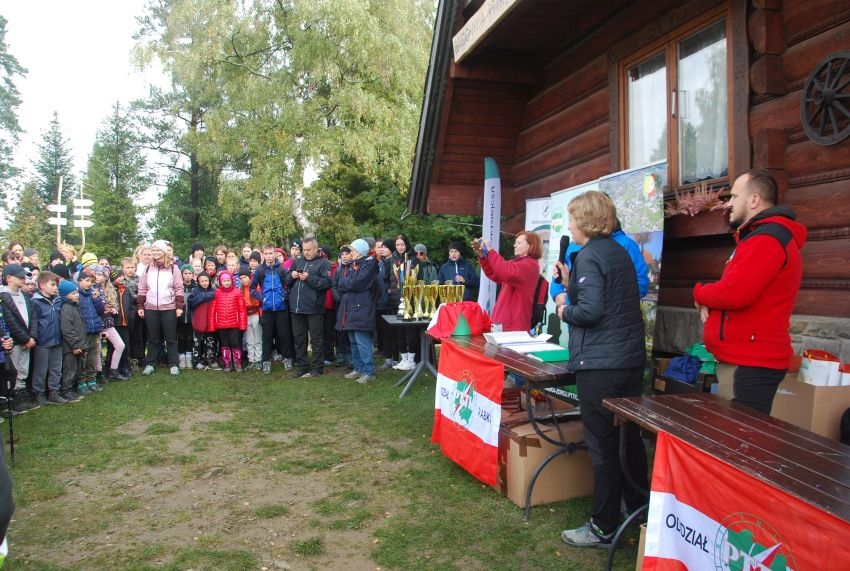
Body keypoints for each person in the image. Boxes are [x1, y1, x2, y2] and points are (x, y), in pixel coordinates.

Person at [554, 190, 647, 548]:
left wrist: (564, 309)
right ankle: (639, 512)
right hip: (628, 361)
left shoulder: (591, 255)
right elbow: (606, 301)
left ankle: (603, 526)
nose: (569, 226)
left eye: (572, 219)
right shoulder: (619, 251)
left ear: (585, 221)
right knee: (629, 440)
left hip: (601, 365)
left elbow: (591, 312)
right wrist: (570, 284)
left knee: (603, 447)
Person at [693, 169, 807, 414]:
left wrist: (699, 293)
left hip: (751, 363)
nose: (729, 203)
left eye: (734, 196)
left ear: (754, 200)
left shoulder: (767, 239)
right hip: (746, 361)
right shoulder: (758, 237)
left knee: (737, 436)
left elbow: (734, 293)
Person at [472, 231, 542, 332]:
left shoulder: (530, 265)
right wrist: (482, 255)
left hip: (514, 324)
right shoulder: (517, 263)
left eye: (519, 243)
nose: (514, 245)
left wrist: (490, 251)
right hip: (504, 323)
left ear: (530, 246)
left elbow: (505, 271)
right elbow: (495, 273)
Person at [137, 240, 184, 377]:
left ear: (164, 252)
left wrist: (179, 306)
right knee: (152, 338)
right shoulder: (147, 268)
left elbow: (179, 288)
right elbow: (142, 288)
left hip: (169, 308)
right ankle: (150, 364)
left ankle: (173, 364)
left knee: (171, 338)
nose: (155, 253)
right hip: (151, 308)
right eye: (154, 250)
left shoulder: (173, 268)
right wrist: (140, 305)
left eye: (158, 250)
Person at [287, 237, 333, 378]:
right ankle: (302, 366)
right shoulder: (298, 261)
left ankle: (318, 368)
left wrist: (309, 278)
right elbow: (287, 281)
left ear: (316, 249)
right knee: (299, 339)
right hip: (296, 307)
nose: (306, 252)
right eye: (304, 250)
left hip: (314, 308)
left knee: (316, 339)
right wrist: (292, 276)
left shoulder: (324, 263)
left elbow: (327, 283)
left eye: (308, 250)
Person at [336, 239, 378, 384]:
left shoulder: (369, 264)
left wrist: (345, 282)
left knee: (362, 341)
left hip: (362, 307)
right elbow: (343, 282)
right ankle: (358, 368)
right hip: (351, 307)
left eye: (353, 250)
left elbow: (358, 284)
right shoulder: (355, 264)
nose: (351, 252)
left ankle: (368, 371)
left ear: (360, 251)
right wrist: (346, 283)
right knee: (353, 341)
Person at [0, 263, 39, 412]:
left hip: (27, 340)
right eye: (20, 276)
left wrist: (32, 336)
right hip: (15, 341)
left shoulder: (24, 295)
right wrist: (24, 339)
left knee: (23, 370)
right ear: (9, 278)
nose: (24, 279)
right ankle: (12, 399)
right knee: (13, 371)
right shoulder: (3, 297)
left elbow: (33, 316)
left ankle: (20, 395)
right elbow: (10, 321)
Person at [251, 244, 293, 374]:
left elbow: (290, 285)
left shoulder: (281, 269)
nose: (269, 256)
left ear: (274, 254)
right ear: (263, 255)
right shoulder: (260, 270)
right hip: (267, 309)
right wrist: (262, 298)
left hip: (281, 309)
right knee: (267, 336)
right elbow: (252, 288)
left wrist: (283, 297)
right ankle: (266, 361)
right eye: (266, 254)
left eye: (271, 253)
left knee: (284, 335)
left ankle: (287, 358)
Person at [30, 271, 67, 405]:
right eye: (52, 284)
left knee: (56, 369)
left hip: (57, 340)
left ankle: (54, 391)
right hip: (42, 342)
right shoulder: (35, 302)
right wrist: (35, 337)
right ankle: (38, 393)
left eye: (56, 285)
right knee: (40, 369)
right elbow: (34, 321)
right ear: (42, 285)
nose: (56, 288)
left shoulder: (58, 300)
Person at [209, 271, 247, 372]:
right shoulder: (216, 293)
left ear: (232, 280)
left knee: (235, 343)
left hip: (234, 324)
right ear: (220, 282)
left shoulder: (237, 292)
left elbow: (242, 309)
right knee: (224, 344)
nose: (226, 282)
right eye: (224, 281)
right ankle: (227, 363)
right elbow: (212, 310)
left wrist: (243, 324)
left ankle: (237, 363)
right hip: (221, 324)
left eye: (228, 280)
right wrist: (212, 325)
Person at [77, 268, 105, 393]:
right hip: (84, 331)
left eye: (91, 281)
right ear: (80, 280)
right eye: (87, 280)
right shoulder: (77, 296)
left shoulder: (92, 294)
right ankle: (81, 382)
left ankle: (91, 379)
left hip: (94, 329)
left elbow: (100, 311)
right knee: (83, 358)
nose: (89, 284)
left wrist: (96, 299)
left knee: (93, 357)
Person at [59, 278, 87, 401]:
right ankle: (66, 390)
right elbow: (67, 329)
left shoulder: (75, 306)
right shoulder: (66, 308)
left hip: (79, 344)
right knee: (70, 370)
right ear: (65, 295)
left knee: (77, 369)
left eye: (77, 292)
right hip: (71, 347)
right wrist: (75, 345)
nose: (77, 295)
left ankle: (71, 389)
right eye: (73, 293)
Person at [375, 239, 401, 369]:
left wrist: (389, 292)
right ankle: (388, 357)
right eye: (381, 247)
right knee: (385, 332)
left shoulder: (394, 262)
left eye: (385, 247)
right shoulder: (381, 263)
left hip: (390, 302)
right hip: (381, 302)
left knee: (392, 332)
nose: (382, 249)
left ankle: (394, 358)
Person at [188, 272, 217, 369]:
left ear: (209, 281)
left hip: (210, 321)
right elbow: (191, 303)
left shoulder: (213, 291)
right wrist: (203, 296)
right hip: (199, 320)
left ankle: (210, 359)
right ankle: (196, 361)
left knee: (210, 341)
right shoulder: (195, 291)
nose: (204, 283)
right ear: (198, 282)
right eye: (202, 281)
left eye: (206, 281)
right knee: (197, 342)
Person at [239, 268, 262, 369]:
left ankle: (258, 359)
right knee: (249, 339)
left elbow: (260, 300)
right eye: (241, 278)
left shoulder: (256, 287)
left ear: (249, 277)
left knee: (258, 338)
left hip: (256, 314)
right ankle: (251, 359)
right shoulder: (240, 289)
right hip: (246, 316)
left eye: (245, 277)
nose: (243, 280)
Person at [177, 264, 196, 368]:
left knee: (189, 338)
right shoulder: (178, 286)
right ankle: (181, 356)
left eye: (189, 273)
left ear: (193, 274)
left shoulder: (196, 287)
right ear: (181, 274)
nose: (188, 275)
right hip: (180, 317)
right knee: (180, 337)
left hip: (191, 318)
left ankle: (189, 357)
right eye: (185, 273)